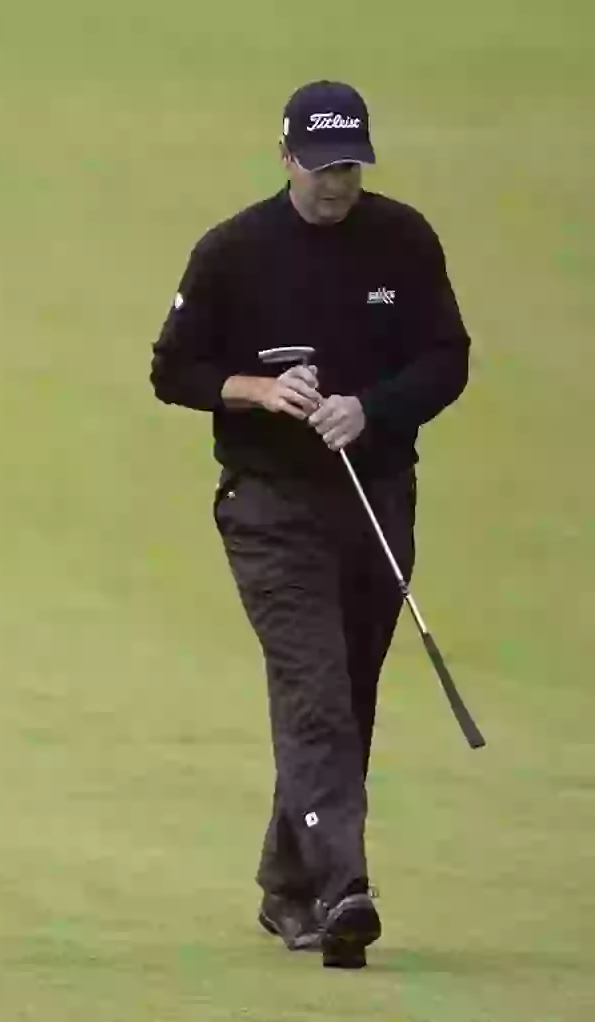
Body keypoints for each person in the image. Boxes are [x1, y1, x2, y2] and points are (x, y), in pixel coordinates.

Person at [149, 80, 470, 968]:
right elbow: (174, 370)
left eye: (351, 166)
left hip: (377, 498)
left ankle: (288, 883)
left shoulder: (403, 241)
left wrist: (371, 409)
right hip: (267, 506)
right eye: (324, 166)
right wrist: (258, 391)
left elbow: (448, 359)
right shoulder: (234, 251)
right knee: (316, 690)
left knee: (349, 694)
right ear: (286, 156)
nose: (338, 183)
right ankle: (343, 892)